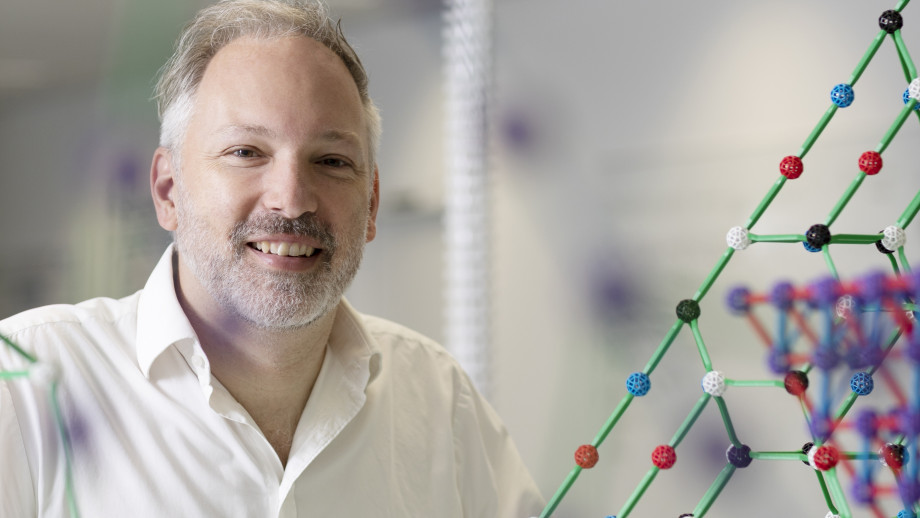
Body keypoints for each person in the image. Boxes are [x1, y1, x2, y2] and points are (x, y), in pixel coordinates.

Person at [0, 0, 544, 516]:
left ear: (372, 203)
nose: (292, 197)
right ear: (168, 190)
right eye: (246, 153)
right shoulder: (24, 384)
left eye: (331, 161)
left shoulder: (441, 402)